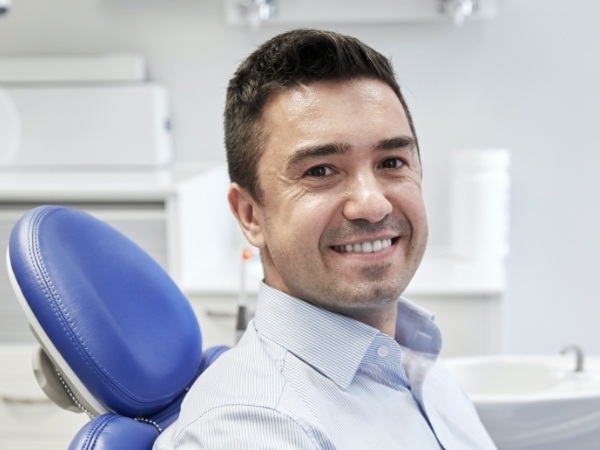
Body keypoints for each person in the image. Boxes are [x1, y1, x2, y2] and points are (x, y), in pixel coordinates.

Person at [154, 28, 496, 449]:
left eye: (391, 161)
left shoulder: (418, 368)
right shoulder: (255, 428)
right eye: (320, 170)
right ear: (249, 214)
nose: (372, 205)